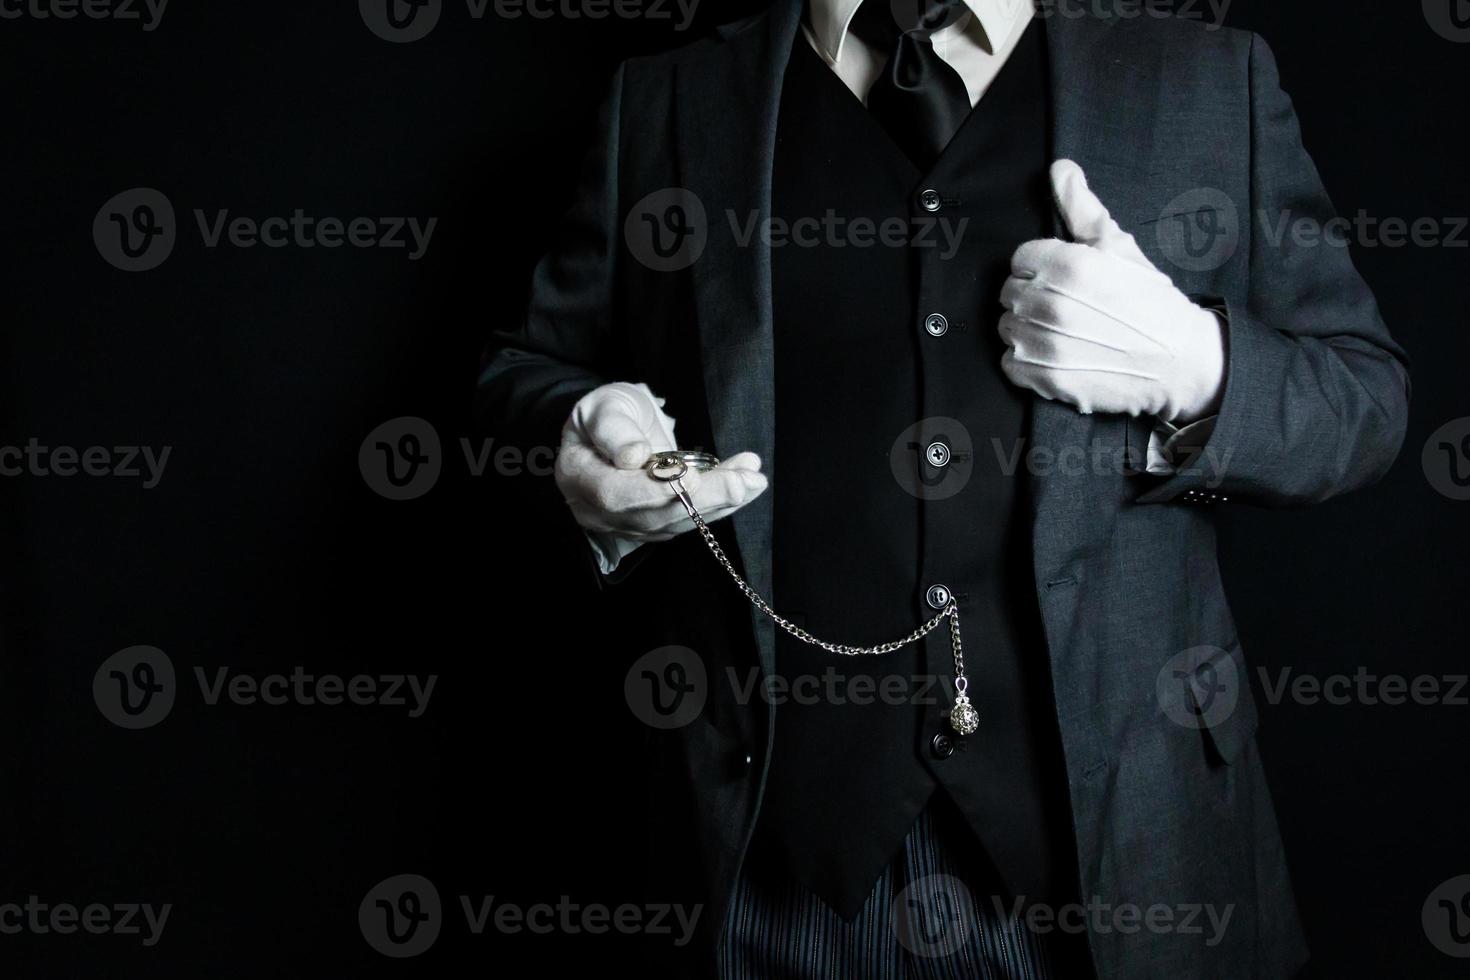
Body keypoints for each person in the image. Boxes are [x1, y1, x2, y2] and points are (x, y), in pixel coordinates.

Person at [477, 0, 1410, 975]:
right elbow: (525, 374)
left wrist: (1196, 364)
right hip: (764, 872)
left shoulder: (1210, 81)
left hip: (1132, 867)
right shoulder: (665, 99)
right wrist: (572, 448)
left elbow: (1364, 399)